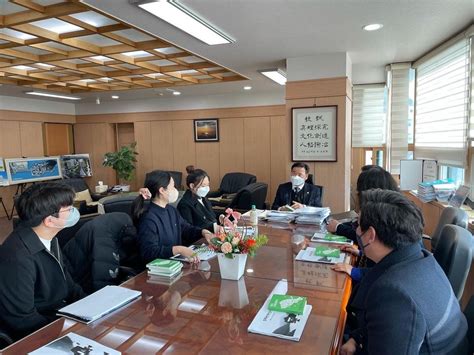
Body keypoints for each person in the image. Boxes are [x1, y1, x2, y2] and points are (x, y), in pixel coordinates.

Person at [340, 189, 468, 355]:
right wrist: (357, 338)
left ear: (370, 235)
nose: (356, 230)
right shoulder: (421, 257)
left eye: (358, 225)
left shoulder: (393, 293)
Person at [0, 183, 85, 341]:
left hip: (60, 314)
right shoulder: (17, 257)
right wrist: (66, 332)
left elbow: (68, 283)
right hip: (40, 331)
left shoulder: (49, 237)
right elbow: (22, 319)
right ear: (50, 221)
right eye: (69, 209)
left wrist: (89, 307)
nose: (74, 211)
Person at [329, 167, 400, 281]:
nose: (356, 195)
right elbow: (384, 257)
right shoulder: (391, 212)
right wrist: (361, 253)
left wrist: (355, 271)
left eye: (358, 191)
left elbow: (391, 271)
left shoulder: (391, 221)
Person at [133, 171, 214, 264]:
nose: (175, 190)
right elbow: (149, 252)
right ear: (162, 190)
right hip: (157, 270)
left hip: (176, 264)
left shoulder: (171, 210)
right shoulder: (148, 218)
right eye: (173, 187)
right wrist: (178, 250)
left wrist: (203, 232)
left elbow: (186, 229)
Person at [177, 167, 218, 232]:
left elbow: (210, 216)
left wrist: (222, 217)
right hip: (199, 238)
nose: (207, 188)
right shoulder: (184, 204)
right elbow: (189, 229)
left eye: (208, 185)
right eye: (203, 186)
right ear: (192, 186)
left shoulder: (204, 198)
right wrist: (214, 227)